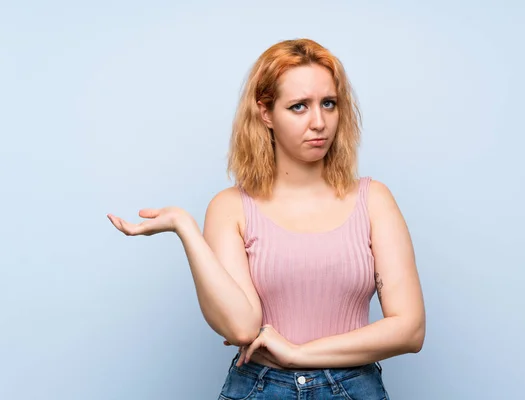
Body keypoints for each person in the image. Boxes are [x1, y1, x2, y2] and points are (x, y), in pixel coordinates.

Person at [107, 38, 425, 399]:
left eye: (329, 104)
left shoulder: (373, 200)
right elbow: (242, 328)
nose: (319, 122)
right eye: (298, 107)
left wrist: (299, 353)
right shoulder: (230, 207)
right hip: (261, 388)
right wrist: (185, 227)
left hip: (353, 387)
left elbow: (410, 330)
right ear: (266, 113)